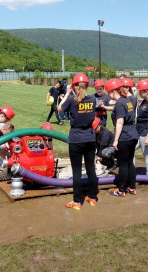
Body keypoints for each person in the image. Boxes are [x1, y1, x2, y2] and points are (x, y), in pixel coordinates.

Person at [58, 73, 98, 210]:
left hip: (76, 138)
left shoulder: (71, 100)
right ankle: (93, 197)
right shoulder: (92, 99)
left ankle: (76, 202)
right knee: (91, 169)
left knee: (76, 172)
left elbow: (59, 109)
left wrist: (67, 93)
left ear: (74, 86)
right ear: (87, 85)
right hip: (90, 137)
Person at [104, 78, 139, 197]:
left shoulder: (119, 103)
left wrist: (115, 140)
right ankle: (132, 187)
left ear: (114, 91)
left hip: (125, 136)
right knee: (130, 162)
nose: (109, 95)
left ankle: (121, 189)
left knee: (123, 163)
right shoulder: (127, 100)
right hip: (133, 134)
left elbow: (119, 122)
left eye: (109, 92)